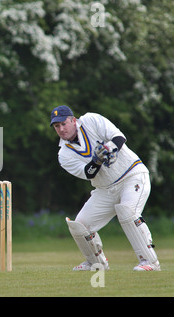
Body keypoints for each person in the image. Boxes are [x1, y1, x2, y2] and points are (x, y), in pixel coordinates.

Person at [50, 105, 160, 271]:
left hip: (132, 175)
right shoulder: (64, 154)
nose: (61, 129)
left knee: (127, 211)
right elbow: (88, 173)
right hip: (105, 189)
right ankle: (97, 263)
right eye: (57, 126)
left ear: (73, 120)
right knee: (80, 225)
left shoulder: (90, 120)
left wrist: (110, 149)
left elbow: (118, 137)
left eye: (64, 123)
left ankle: (150, 262)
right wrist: (97, 160)